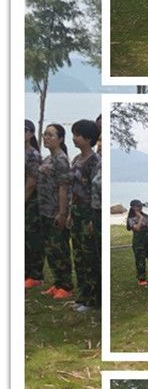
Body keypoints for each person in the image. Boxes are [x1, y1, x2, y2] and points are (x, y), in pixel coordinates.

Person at [36, 123, 74, 298]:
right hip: (44, 210)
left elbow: (63, 187)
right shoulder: (48, 158)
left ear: (60, 139)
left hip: (56, 211)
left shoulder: (61, 159)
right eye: (45, 134)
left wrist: (62, 212)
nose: (46, 138)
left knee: (59, 249)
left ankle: (66, 286)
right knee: (50, 249)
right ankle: (57, 282)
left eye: (50, 135)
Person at [69, 119, 101, 312]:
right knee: (79, 255)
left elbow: (93, 191)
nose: (74, 138)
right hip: (76, 211)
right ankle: (82, 295)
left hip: (88, 212)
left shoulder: (94, 162)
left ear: (88, 139)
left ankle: (93, 299)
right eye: (73, 134)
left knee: (90, 257)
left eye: (77, 135)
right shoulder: (75, 159)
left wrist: (91, 218)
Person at [24, 120, 44, 289]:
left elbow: (31, 182)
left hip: (30, 202)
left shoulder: (32, 155)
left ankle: (35, 274)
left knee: (32, 237)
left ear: (30, 134)